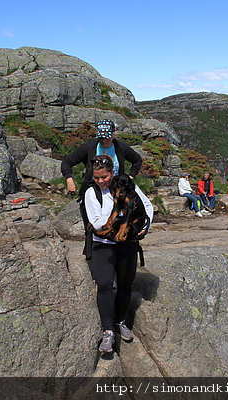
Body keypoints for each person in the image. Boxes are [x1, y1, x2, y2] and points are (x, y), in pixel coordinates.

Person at [84, 155, 153, 353]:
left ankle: (120, 321)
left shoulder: (127, 186)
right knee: (105, 285)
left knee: (125, 284)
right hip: (103, 245)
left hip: (128, 243)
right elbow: (97, 223)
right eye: (96, 177)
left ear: (112, 173)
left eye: (104, 177)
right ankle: (108, 330)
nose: (100, 181)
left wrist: (145, 226)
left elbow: (147, 207)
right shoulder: (92, 193)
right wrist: (123, 219)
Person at [61, 119, 143, 258]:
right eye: (101, 137)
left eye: (107, 137)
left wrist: (130, 177)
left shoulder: (120, 147)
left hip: (117, 192)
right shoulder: (90, 147)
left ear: (113, 134)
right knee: (92, 227)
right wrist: (69, 179)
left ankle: (122, 256)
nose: (104, 140)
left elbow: (137, 160)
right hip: (94, 191)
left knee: (121, 220)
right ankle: (93, 257)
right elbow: (67, 162)